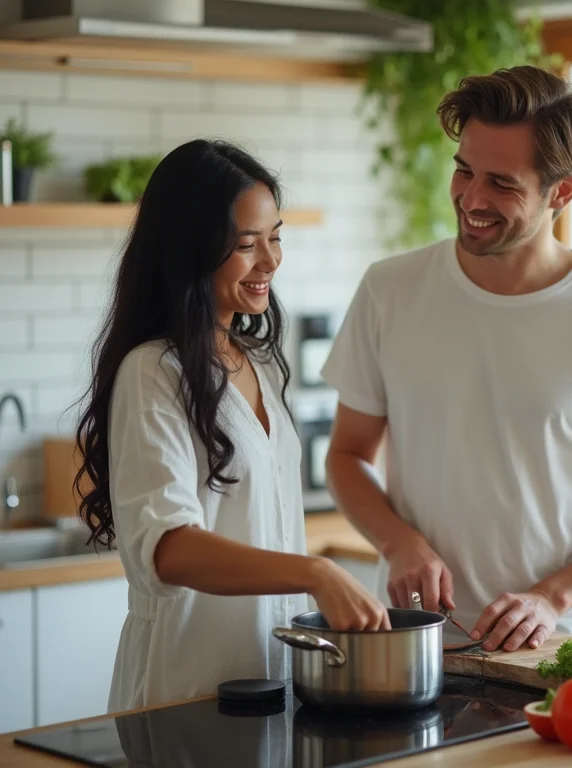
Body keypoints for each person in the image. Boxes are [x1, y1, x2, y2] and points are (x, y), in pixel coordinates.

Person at [321, 66, 572, 653]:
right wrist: (398, 543)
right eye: (464, 170)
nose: (471, 199)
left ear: (561, 192)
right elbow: (346, 454)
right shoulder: (390, 291)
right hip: (409, 639)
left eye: (502, 183)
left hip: (551, 649)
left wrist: (553, 596)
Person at [74, 139, 389, 713]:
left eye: (276, 238)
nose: (271, 261)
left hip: (273, 680)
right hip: (187, 689)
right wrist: (316, 572)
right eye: (248, 245)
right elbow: (168, 549)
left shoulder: (259, 362)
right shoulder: (153, 372)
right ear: (190, 250)